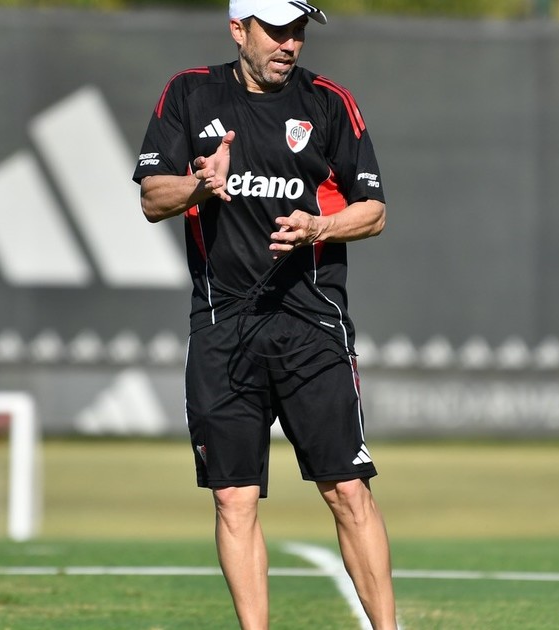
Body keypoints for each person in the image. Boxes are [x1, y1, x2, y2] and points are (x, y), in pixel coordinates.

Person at [132, 1, 396, 628]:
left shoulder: (329, 103)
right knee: (233, 498)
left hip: (312, 326)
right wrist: (200, 186)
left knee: (348, 489)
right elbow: (152, 198)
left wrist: (319, 227)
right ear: (238, 29)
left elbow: (375, 211)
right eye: (276, 30)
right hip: (222, 329)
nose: (289, 44)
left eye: (297, 32)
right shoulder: (190, 94)